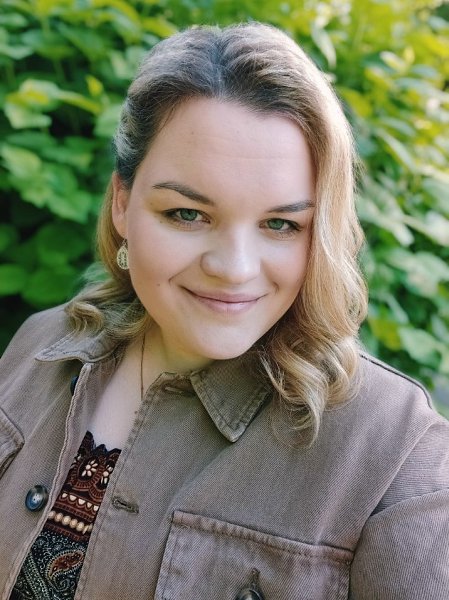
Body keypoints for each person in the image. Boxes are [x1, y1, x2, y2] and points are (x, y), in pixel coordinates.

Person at [0, 22, 448, 600]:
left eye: (280, 224)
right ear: (122, 204)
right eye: (188, 214)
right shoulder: (39, 346)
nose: (235, 268)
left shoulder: (395, 452)